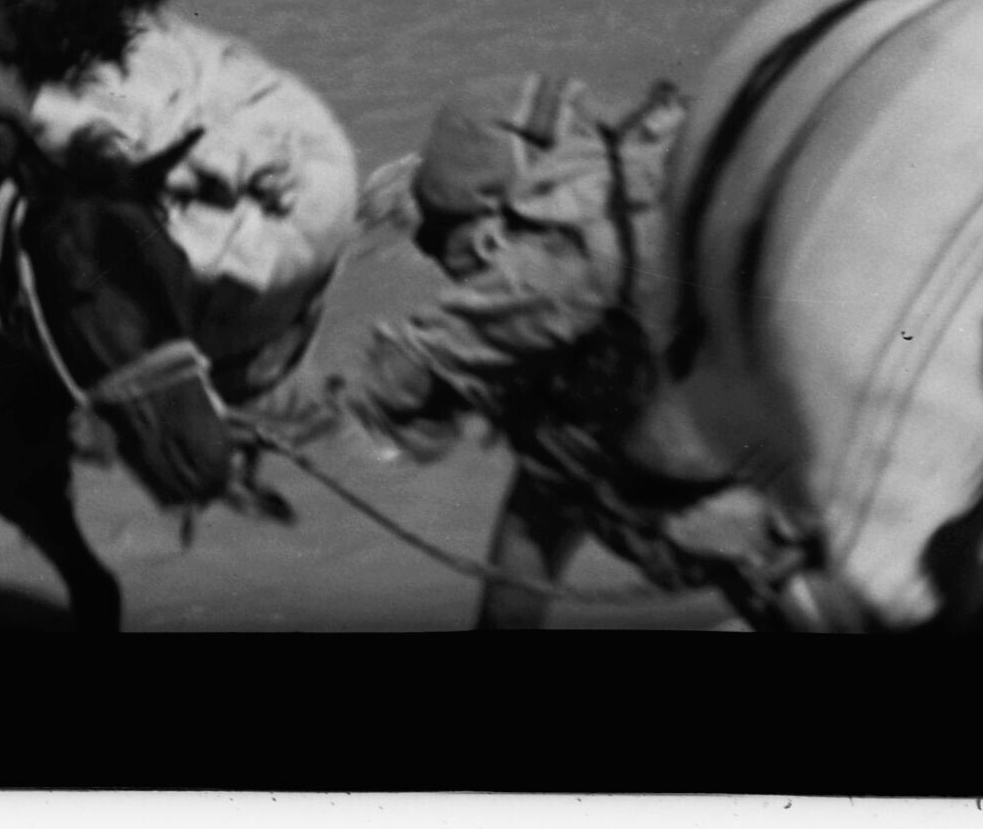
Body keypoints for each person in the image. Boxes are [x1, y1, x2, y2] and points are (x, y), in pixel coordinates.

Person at [326, 71, 801, 622]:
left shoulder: (574, 261)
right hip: (729, 415)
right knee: (553, 481)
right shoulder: (642, 176)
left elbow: (416, 374)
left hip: (772, 484)